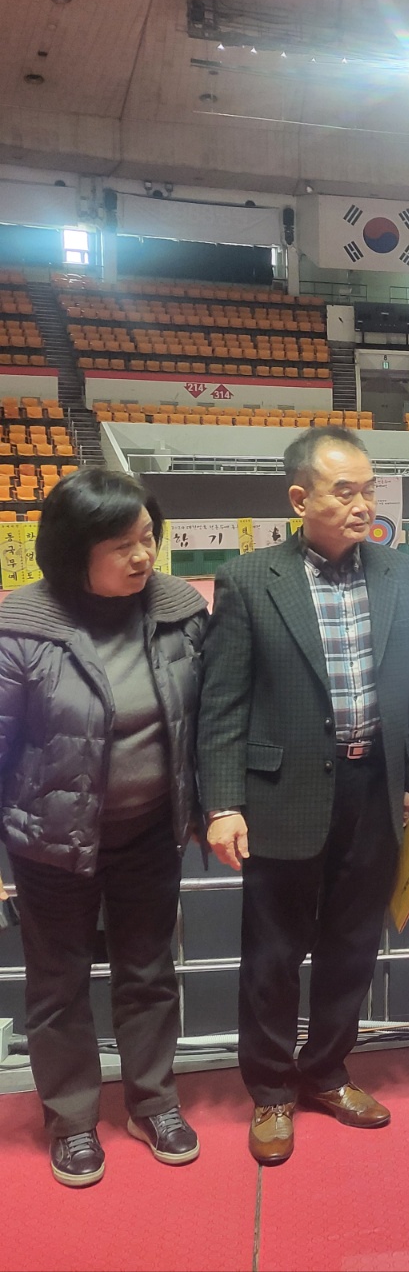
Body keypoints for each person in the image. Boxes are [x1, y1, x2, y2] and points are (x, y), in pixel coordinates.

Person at [198, 426, 409, 1165]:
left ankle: (328, 1070)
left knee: (353, 946)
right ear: (300, 498)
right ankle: (271, 1090)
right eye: (345, 491)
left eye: (369, 489)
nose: (364, 504)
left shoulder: (402, 575)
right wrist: (223, 804)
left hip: (375, 789)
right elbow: (223, 703)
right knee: (272, 955)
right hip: (281, 793)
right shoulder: (249, 579)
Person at [0, 469, 206, 1187]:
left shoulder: (180, 610)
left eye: (147, 536)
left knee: (149, 972)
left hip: (148, 832)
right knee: (58, 984)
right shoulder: (22, 627)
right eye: (121, 545)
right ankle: (73, 1118)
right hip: (50, 842)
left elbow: (204, 722)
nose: (143, 555)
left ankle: (154, 1101)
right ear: (72, 551)